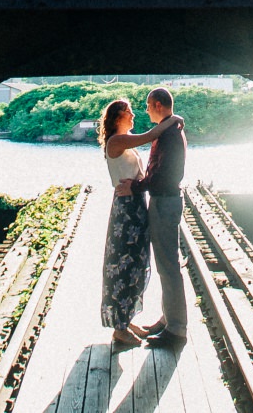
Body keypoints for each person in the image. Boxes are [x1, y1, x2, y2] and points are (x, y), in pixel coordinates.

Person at [98, 97, 182, 346]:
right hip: (126, 209)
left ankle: (125, 320)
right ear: (116, 118)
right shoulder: (117, 141)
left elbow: (141, 173)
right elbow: (152, 134)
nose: (133, 115)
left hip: (135, 205)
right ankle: (119, 328)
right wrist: (174, 119)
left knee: (135, 263)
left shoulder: (127, 143)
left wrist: (143, 184)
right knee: (123, 264)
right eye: (128, 112)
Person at [119, 86, 188, 347]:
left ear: (158, 105)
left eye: (148, 105)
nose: (146, 110)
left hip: (165, 201)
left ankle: (176, 330)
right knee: (166, 264)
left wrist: (135, 186)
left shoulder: (169, 134)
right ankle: (168, 319)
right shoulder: (171, 129)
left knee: (168, 266)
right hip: (166, 200)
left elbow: (160, 173)